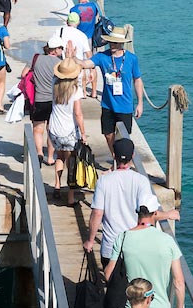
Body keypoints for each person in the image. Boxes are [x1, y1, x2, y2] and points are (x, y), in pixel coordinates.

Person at [83, 139, 179, 268]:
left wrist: (90, 241)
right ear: (133, 156)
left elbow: (97, 213)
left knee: (112, 285)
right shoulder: (141, 181)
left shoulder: (103, 181)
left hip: (110, 247)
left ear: (113, 156)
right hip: (134, 246)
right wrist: (168, 214)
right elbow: (149, 213)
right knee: (133, 286)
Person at [104, 206, 185, 308]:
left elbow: (108, 275)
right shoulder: (167, 240)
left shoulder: (123, 238)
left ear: (137, 213)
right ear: (155, 213)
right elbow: (179, 282)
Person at [79, 28, 142, 159]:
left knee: (124, 138)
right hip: (107, 105)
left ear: (121, 43)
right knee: (108, 134)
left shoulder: (131, 59)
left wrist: (140, 103)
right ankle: (116, 159)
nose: (112, 45)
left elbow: (137, 80)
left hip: (125, 106)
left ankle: (122, 162)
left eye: (115, 42)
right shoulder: (102, 56)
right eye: (110, 42)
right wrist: (72, 58)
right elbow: (86, 64)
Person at [49, 57, 87, 205]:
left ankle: (57, 186)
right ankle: (71, 198)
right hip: (69, 131)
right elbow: (78, 113)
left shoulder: (54, 85)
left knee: (60, 156)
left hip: (54, 129)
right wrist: (83, 133)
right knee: (72, 162)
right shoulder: (75, 90)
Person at [22, 36, 64, 165]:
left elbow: (24, 74)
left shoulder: (36, 59)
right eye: (61, 48)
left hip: (38, 99)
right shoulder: (59, 63)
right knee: (51, 130)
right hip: (54, 100)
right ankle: (50, 157)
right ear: (55, 50)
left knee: (38, 129)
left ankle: (39, 153)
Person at [57, 11, 96, 98]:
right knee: (82, 68)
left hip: (64, 66)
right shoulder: (82, 35)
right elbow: (88, 54)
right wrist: (92, 70)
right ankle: (84, 93)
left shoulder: (59, 31)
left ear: (67, 21)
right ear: (78, 22)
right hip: (78, 67)